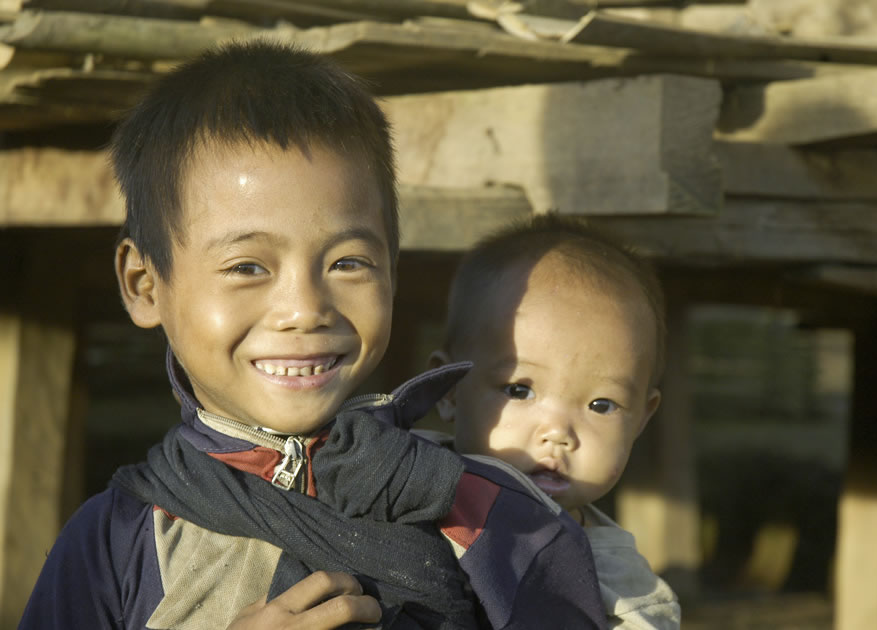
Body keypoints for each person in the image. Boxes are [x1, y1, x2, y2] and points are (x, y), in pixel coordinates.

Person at [19, 41, 609, 629]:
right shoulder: (114, 543)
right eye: (247, 267)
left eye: (348, 263)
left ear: (392, 272)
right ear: (145, 285)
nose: (304, 310)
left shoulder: (485, 512)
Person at [427, 215, 682, 630]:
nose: (558, 434)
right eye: (519, 390)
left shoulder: (616, 579)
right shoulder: (396, 477)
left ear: (641, 417)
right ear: (450, 389)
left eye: (601, 405)